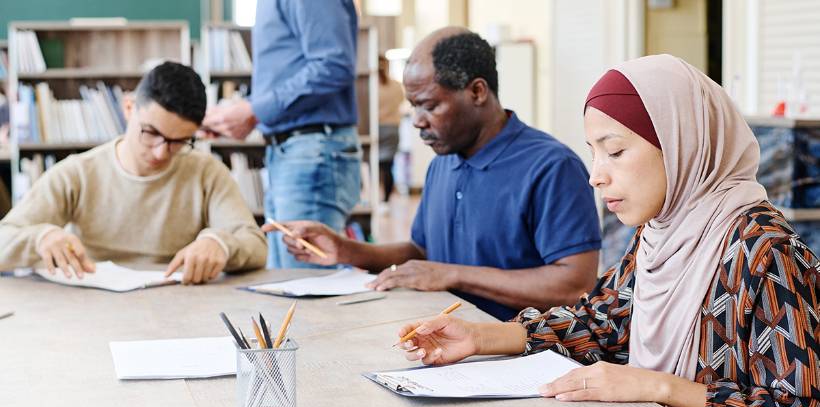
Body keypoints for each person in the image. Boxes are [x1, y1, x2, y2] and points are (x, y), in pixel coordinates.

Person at [396, 55, 819, 407]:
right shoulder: (658, 235)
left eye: (615, 152)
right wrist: (480, 337)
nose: (596, 174)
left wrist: (657, 387)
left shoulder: (767, 253)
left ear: (680, 145)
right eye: (593, 153)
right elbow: (603, 322)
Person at [265, 28, 601, 320]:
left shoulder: (552, 167)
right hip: (443, 341)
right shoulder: (445, 160)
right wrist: (345, 250)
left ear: (478, 92)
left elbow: (574, 285)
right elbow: (423, 253)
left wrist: (453, 275)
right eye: (413, 106)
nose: (417, 120)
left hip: (520, 354)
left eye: (429, 105)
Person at [0, 62, 267, 284]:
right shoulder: (77, 172)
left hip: (178, 304)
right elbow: (4, 239)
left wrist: (220, 243)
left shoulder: (206, 173)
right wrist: (41, 237)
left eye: (179, 141)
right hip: (92, 303)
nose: (161, 152)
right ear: (129, 109)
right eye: (151, 133)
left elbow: (255, 245)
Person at [202, 0, 361, 269]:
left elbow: (333, 64)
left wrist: (255, 110)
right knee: (288, 277)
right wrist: (244, 113)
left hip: (310, 151)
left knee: (302, 283)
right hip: (292, 151)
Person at [377, 54, 405, 205]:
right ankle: (385, 202)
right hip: (392, 128)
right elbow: (402, 101)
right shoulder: (396, 85)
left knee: (373, 167)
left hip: (375, 128)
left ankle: (372, 198)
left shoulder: (371, 85)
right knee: (388, 166)